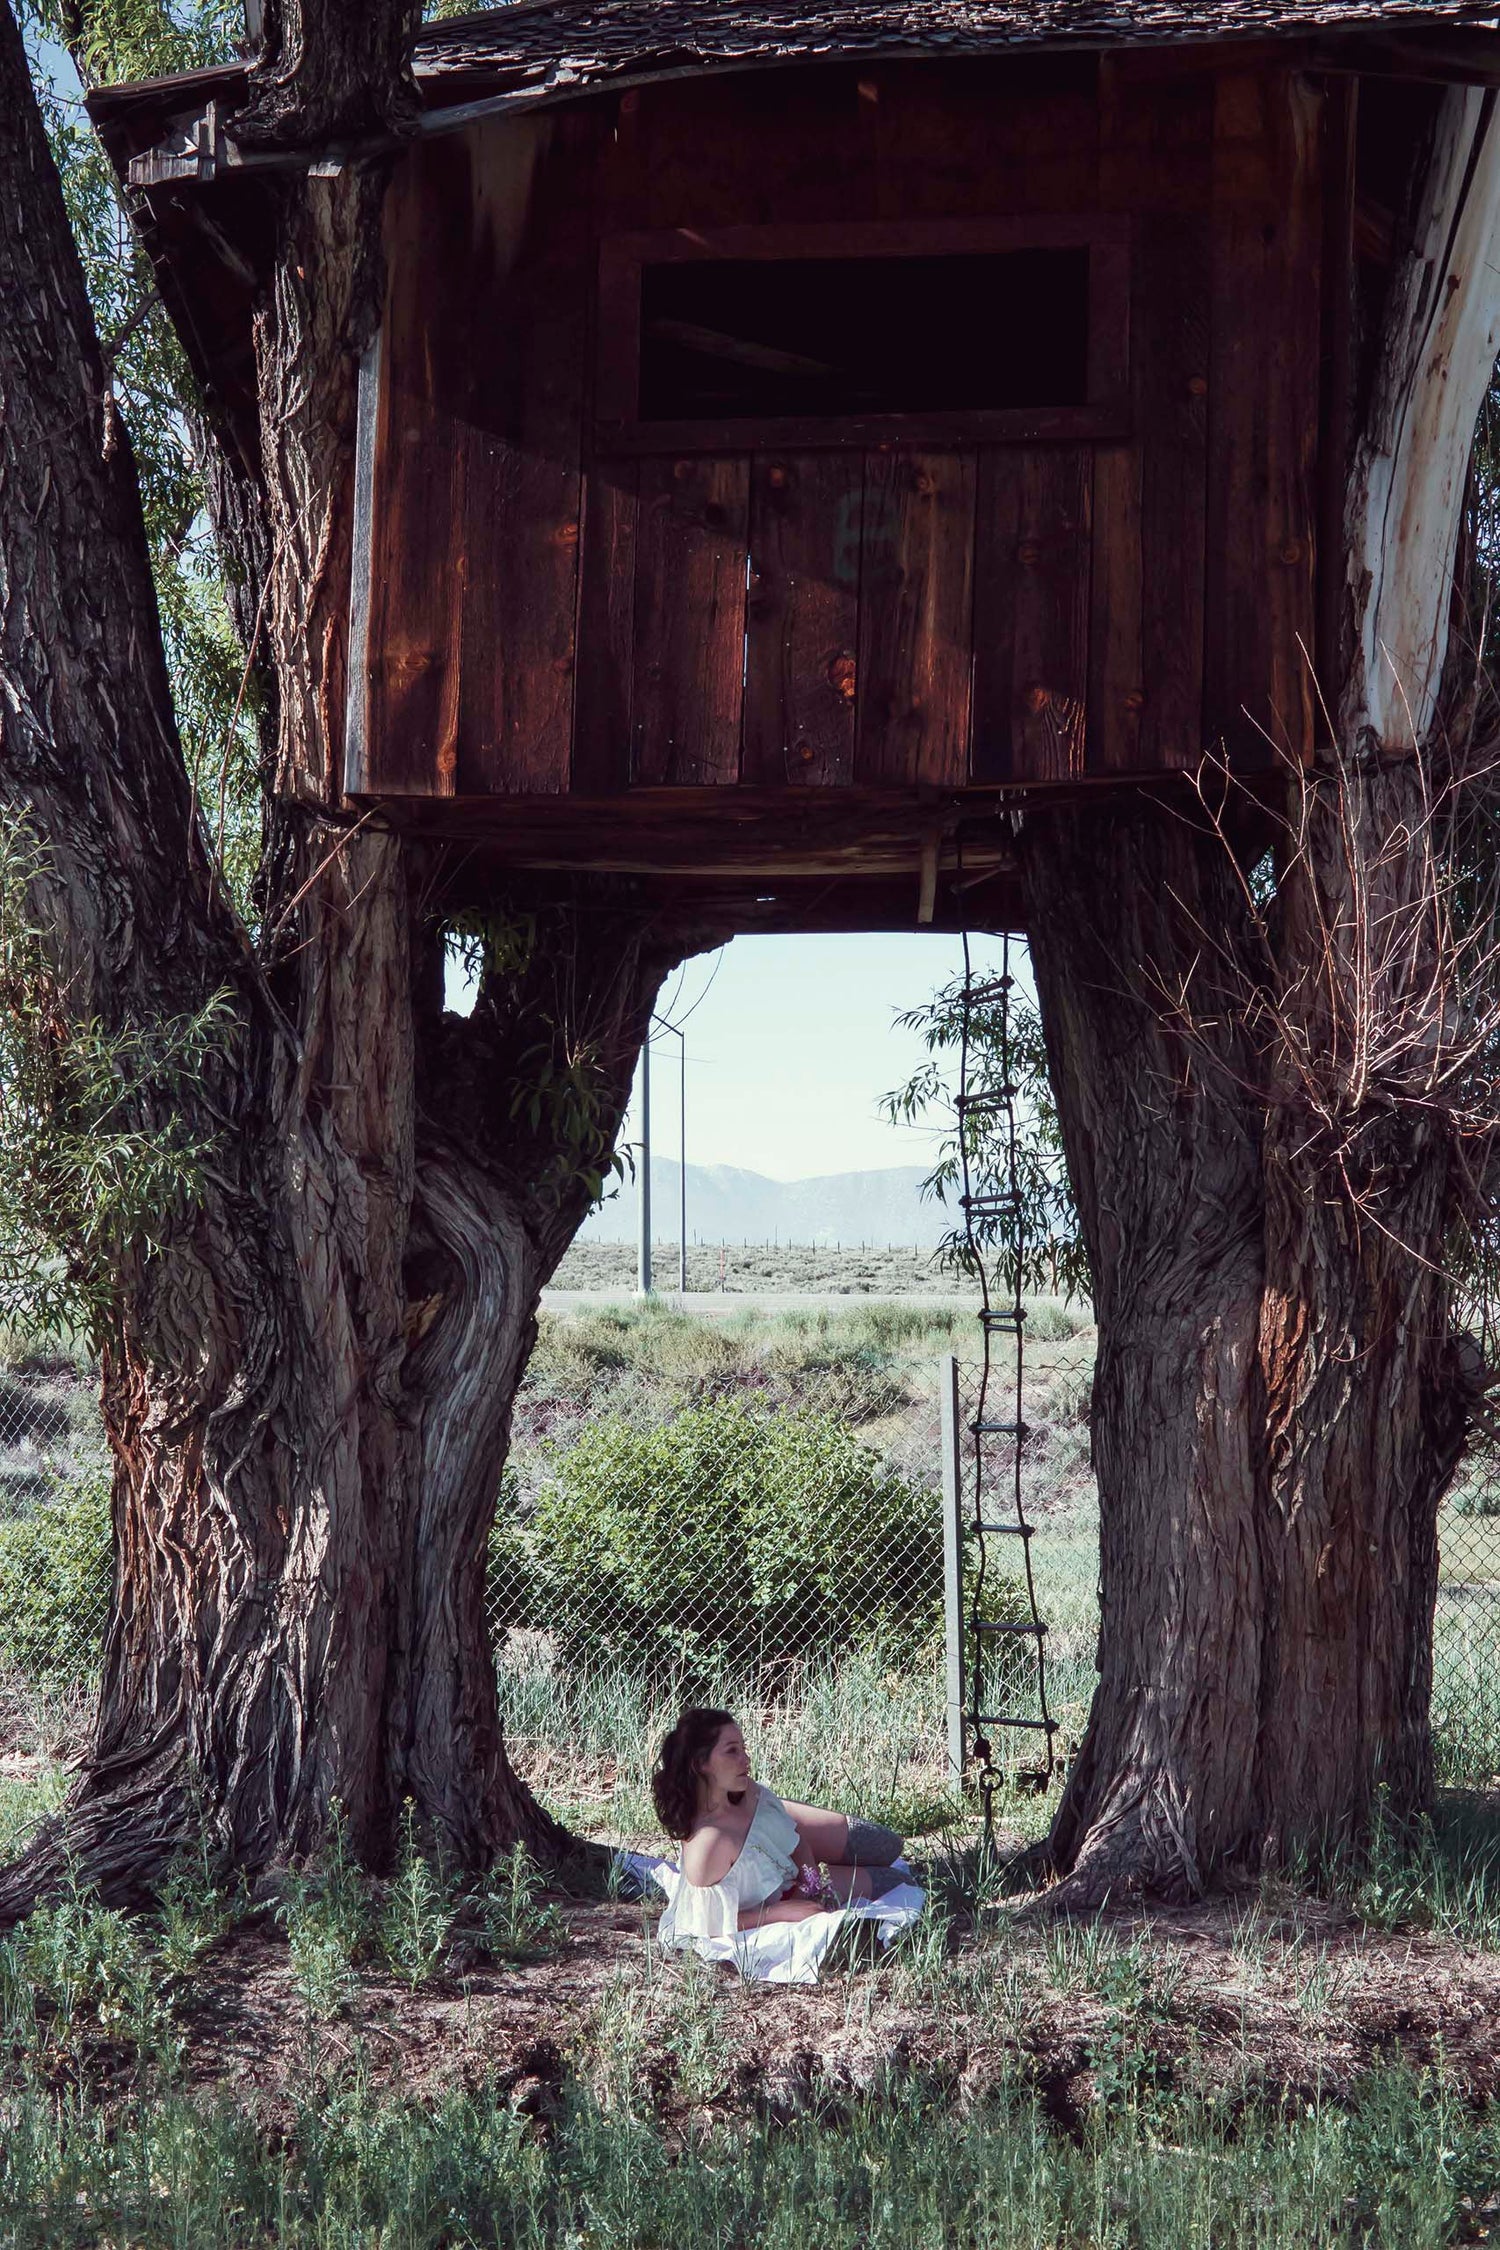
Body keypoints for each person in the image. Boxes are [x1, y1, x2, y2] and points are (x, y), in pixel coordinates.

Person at [651, 1705, 907, 1947]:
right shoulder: (708, 1845)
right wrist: (781, 1911)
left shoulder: (747, 1791)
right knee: (897, 1883)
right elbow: (708, 1923)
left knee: (886, 1844)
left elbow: (798, 1843)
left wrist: (811, 1887)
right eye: (732, 1751)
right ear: (700, 1764)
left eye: (744, 1748)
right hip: (779, 1896)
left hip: (799, 1876)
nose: (746, 1759)